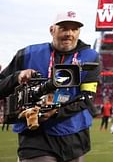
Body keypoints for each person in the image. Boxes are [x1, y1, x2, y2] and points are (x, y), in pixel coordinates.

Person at [0, 10, 101, 162]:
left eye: (74, 29)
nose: (69, 33)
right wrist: (17, 76)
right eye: (64, 28)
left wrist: (55, 112)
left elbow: (87, 97)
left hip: (75, 134)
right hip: (35, 134)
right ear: (52, 30)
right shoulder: (27, 54)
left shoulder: (90, 57)